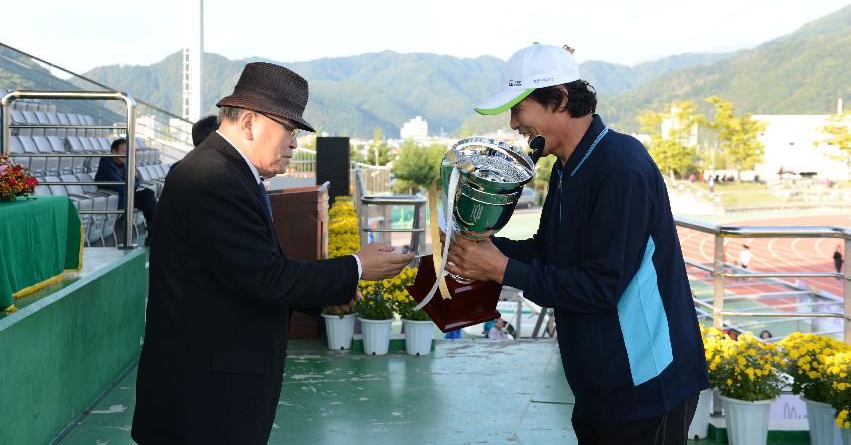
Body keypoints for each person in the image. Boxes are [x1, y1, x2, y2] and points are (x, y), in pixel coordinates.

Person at [131, 62, 412, 445]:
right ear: (249, 123)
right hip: (204, 400)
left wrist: (328, 295)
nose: (294, 144)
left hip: (209, 391)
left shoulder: (227, 172)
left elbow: (253, 272)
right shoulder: (214, 179)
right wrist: (357, 266)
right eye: (289, 130)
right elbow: (266, 279)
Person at [446, 44, 708, 444]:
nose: (514, 123)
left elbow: (601, 287)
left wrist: (499, 268)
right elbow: (547, 251)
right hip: (599, 380)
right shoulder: (568, 166)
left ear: (560, 100)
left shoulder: (622, 166)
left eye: (519, 108)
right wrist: (482, 247)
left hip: (645, 380)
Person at [95, 137, 158, 244]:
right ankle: (154, 231)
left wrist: (132, 173)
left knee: (148, 194)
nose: (125, 154)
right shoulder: (107, 163)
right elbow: (120, 186)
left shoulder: (124, 164)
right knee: (146, 200)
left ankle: (154, 230)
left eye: (127, 152)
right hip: (113, 198)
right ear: (113, 151)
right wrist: (132, 184)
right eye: (122, 151)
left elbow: (136, 183)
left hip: (125, 195)